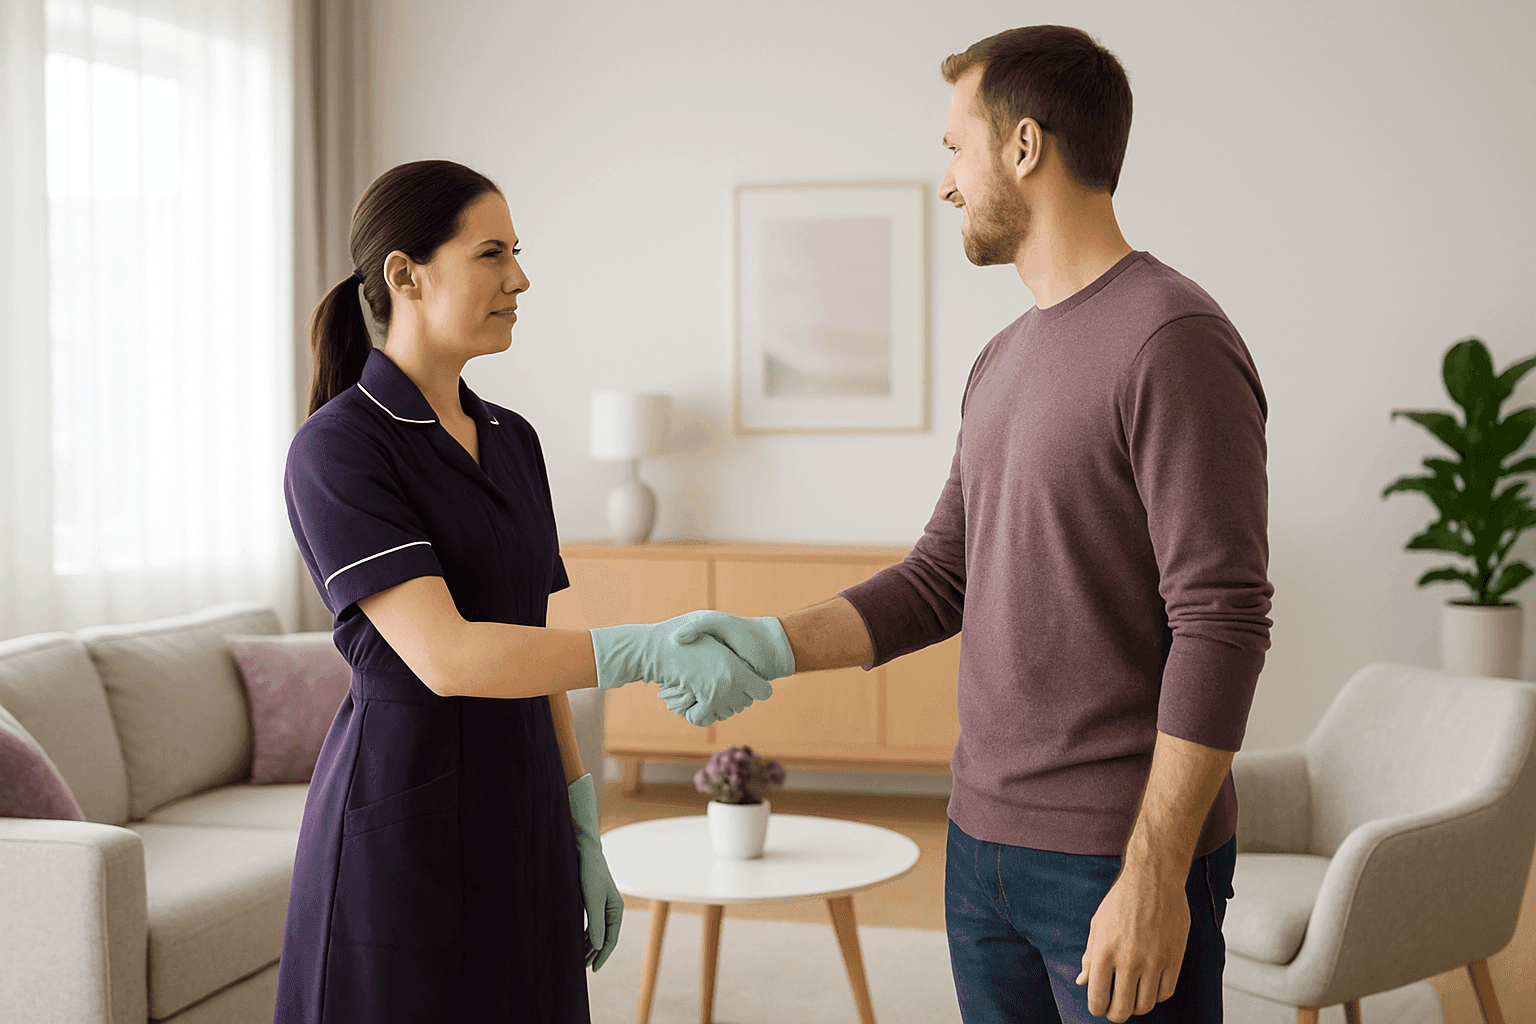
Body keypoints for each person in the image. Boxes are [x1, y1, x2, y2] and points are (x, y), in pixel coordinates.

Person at [662, 25, 1272, 1024]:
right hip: (981, 846)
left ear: (1024, 147)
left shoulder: (1172, 340)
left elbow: (1224, 620)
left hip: (1112, 854)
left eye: (955, 147)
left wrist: (1156, 868)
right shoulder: (1002, 358)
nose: (945, 182)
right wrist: (768, 644)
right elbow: (942, 575)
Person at [274, 159, 774, 1024]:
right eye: (492, 254)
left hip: (526, 808)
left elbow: (531, 640)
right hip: (403, 823)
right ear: (405, 275)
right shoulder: (338, 448)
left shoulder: (514, 440)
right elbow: (447, 654)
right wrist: (648, 647)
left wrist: (581, 815)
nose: (520, 277)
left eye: (518, 252)